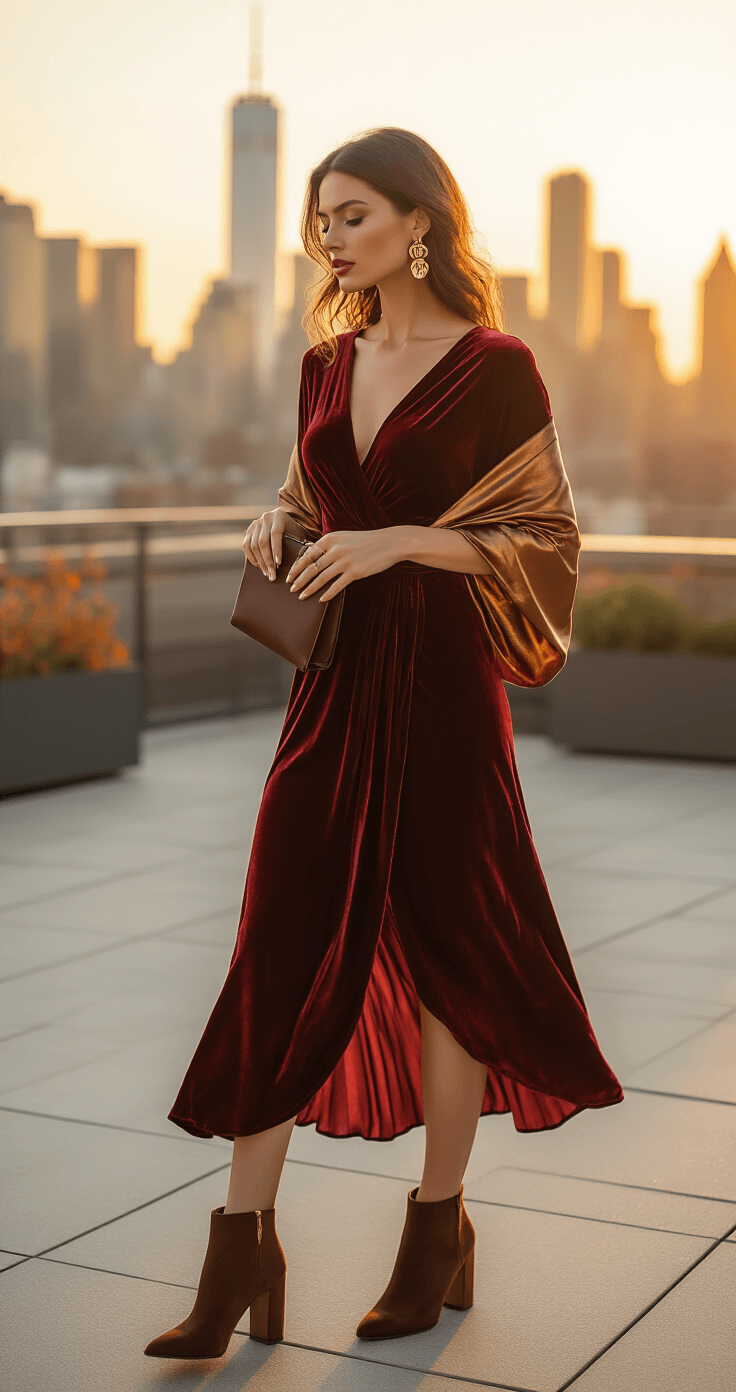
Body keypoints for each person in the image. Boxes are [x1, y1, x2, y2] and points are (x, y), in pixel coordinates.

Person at [144, 126, 623, 1361]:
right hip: (335, 686)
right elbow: (311, 499)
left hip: (444, 690)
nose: (330, 236)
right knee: (282, 939)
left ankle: (435, 1226)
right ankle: (240, 1248)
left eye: (351, 214)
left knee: (456, 948)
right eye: (320, 219)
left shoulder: (498, 366)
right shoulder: (323, 364)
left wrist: (402, 541)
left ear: (420, 221)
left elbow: (544, 540)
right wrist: (279, 521)